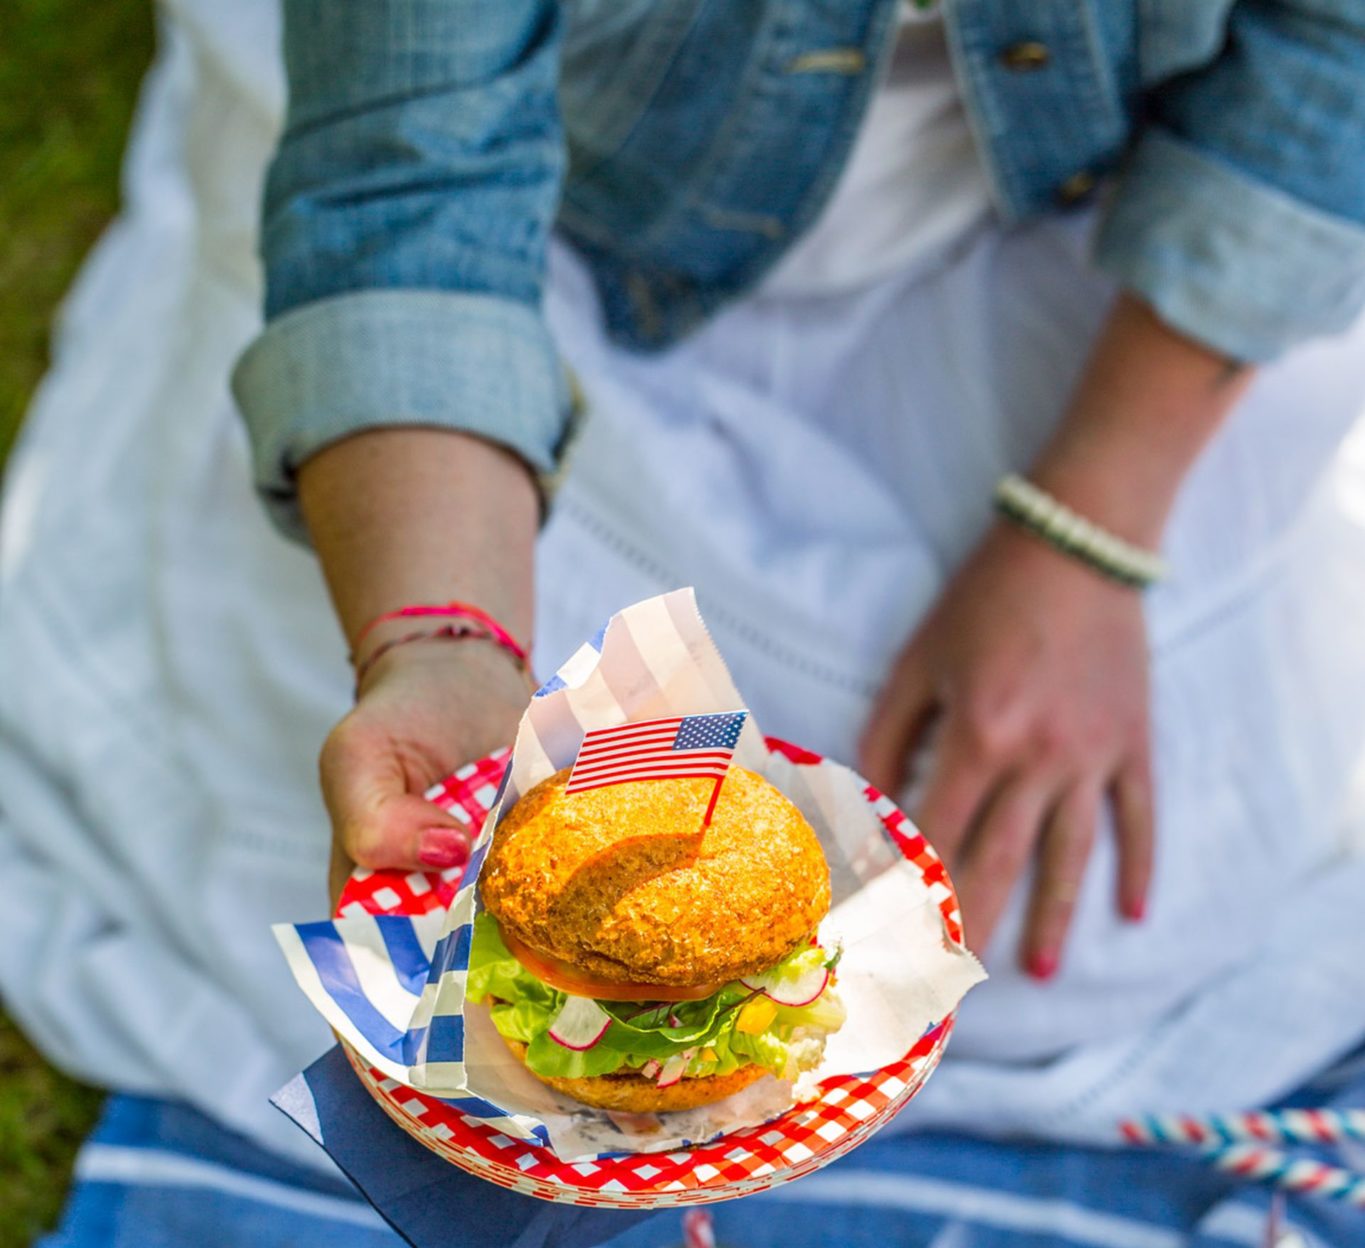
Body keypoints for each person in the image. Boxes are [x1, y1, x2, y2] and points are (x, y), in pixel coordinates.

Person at [3, 0, 1365, 1151]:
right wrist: (444, 644)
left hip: (1098, 233)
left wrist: (1087, 533)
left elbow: (1327, 62)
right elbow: (410, 188)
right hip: (553, 221)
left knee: (1087, 921)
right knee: (348, 863)